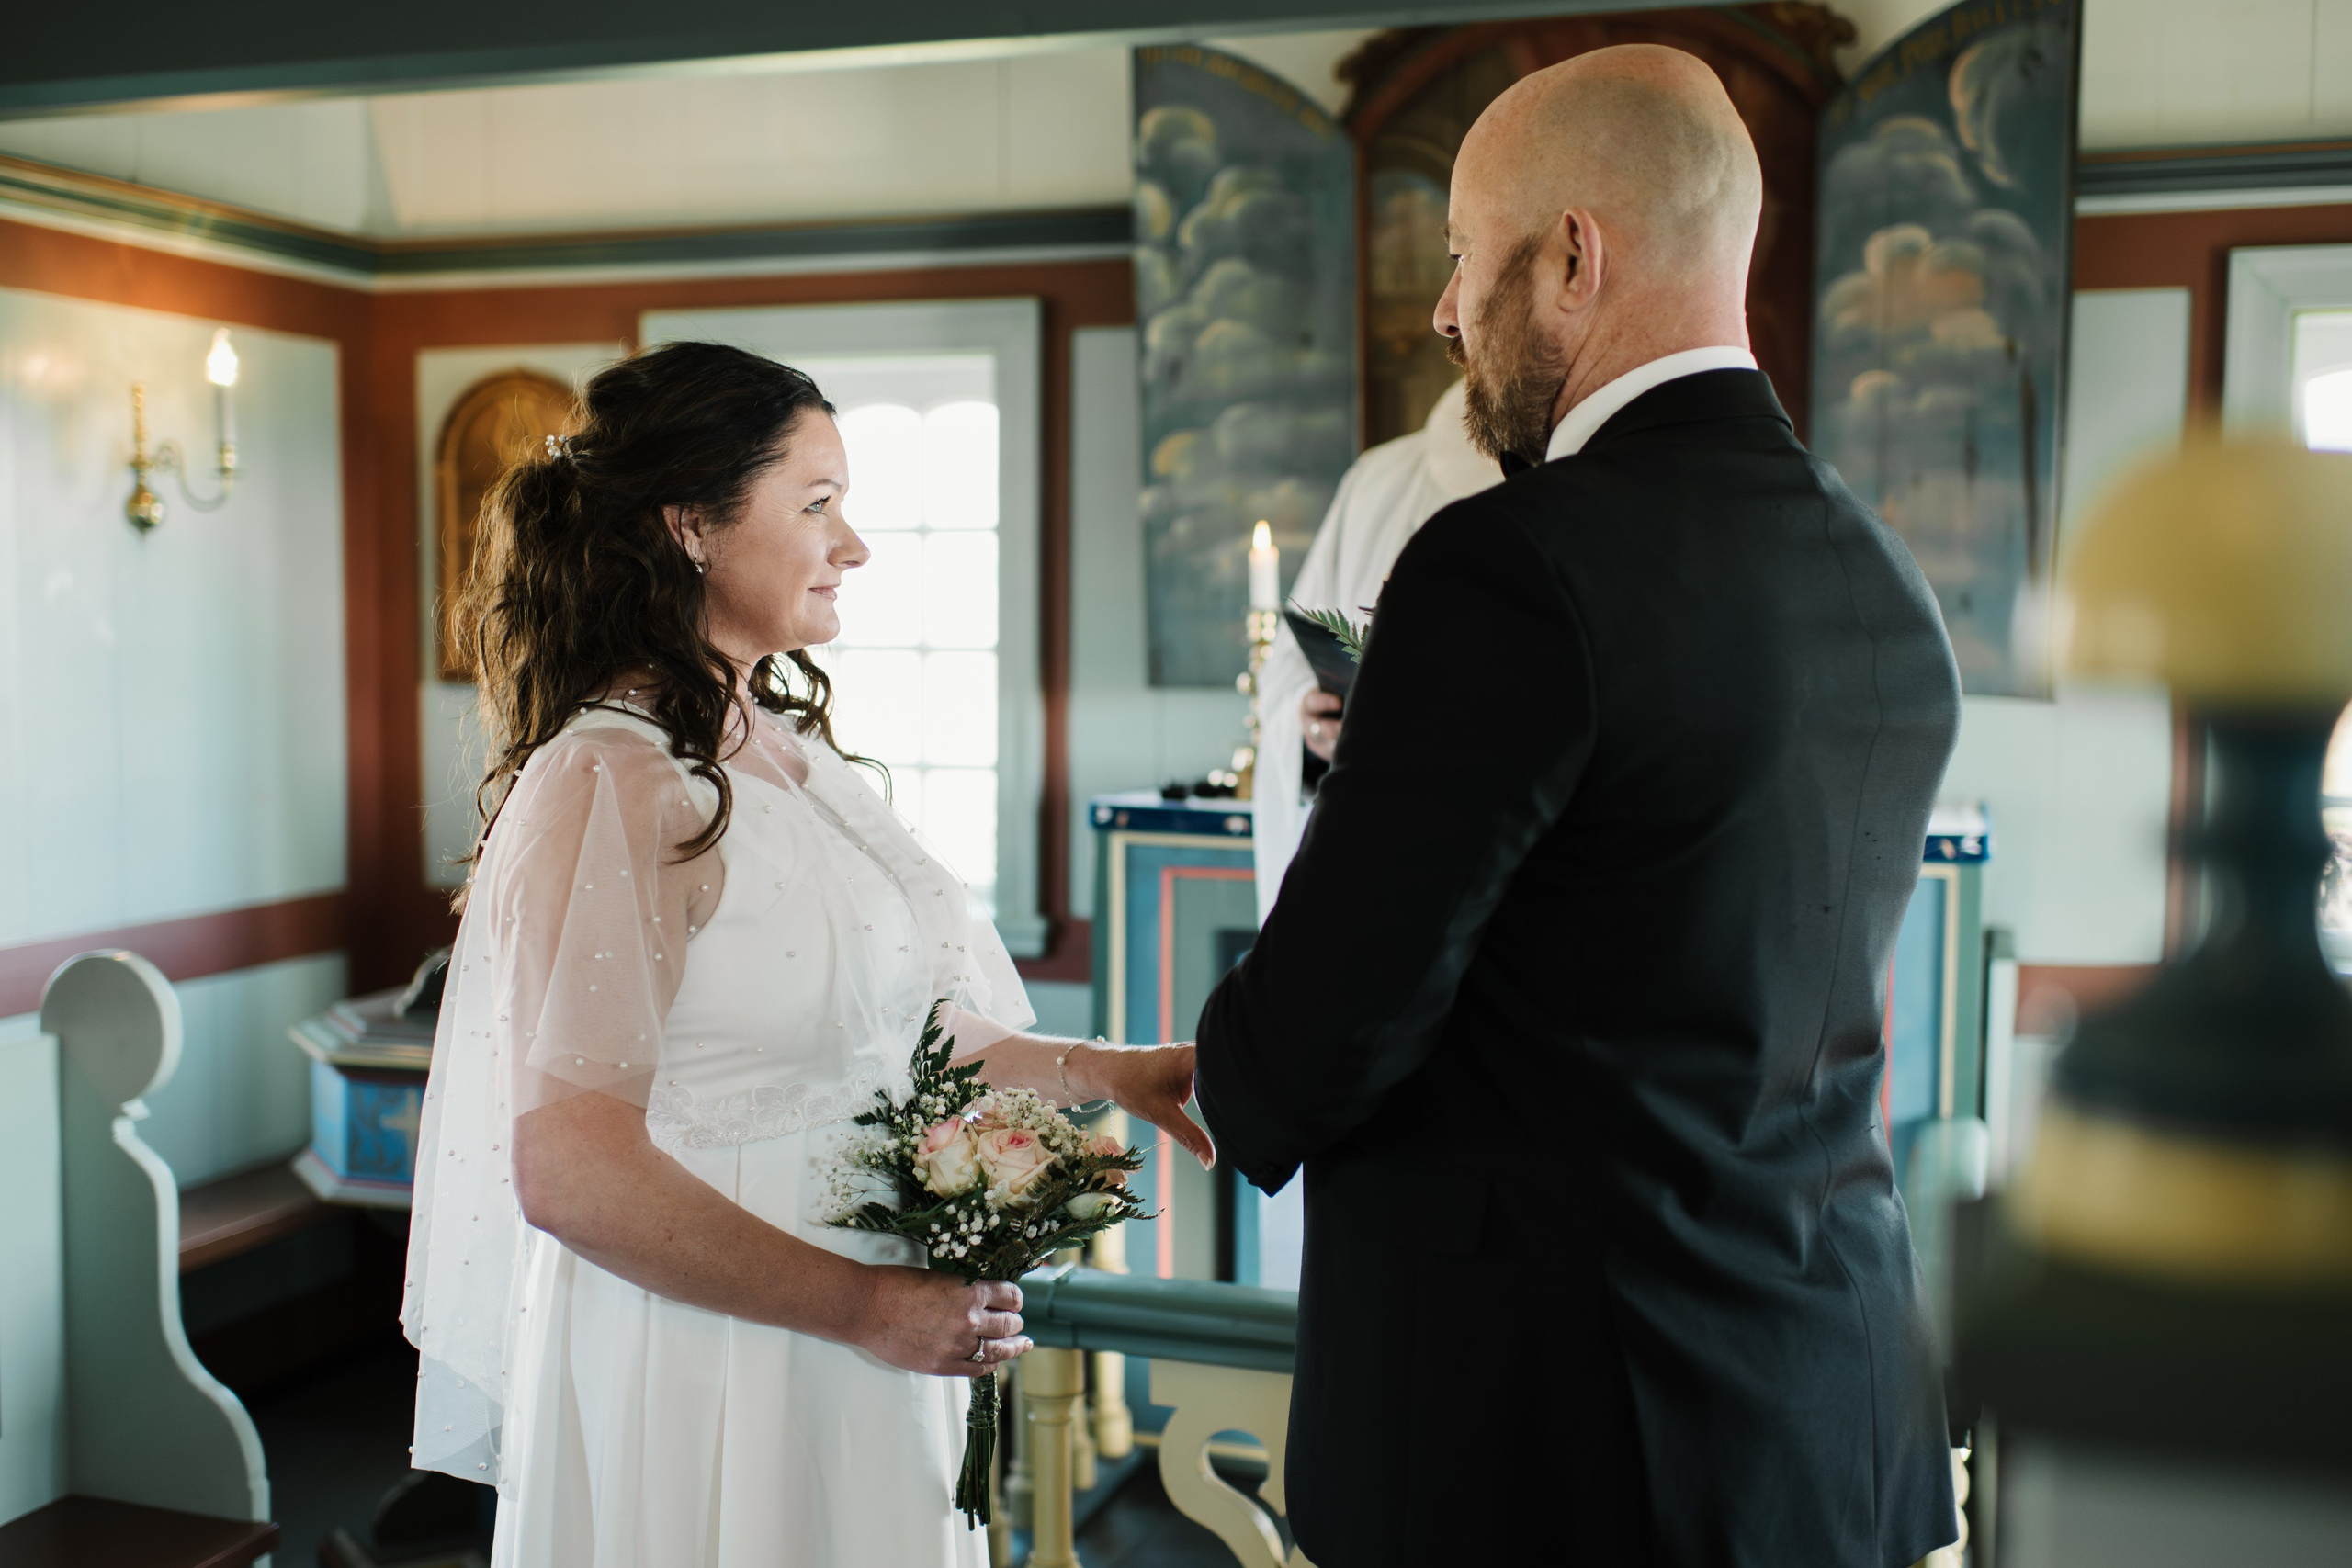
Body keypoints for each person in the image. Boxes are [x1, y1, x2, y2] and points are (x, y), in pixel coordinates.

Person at [1194, 43, 1962, 1567]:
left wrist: (1222, 1064)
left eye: (1463, 258)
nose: (1440, 308)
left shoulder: (1512, 570)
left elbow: (1306, 1047)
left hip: (1562, 1449)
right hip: (1827, 1419)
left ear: (1570, 257)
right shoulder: (1881, 579)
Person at [400, 342, 1211, 1568]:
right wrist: (869, 1306)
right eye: (817, 503)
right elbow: (572, 1170)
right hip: (722, 1353)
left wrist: (1114, 1071)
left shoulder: (779, 749)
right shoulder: (612, 781)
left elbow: (900, 1035)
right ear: (691, 526)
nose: (855, 544)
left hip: (862, 1343)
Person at [1252, 378, 1498, 924]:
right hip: (1367, 851)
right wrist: (1312, 724)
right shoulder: (1377, 483)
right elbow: (1290, 663)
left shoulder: (1585, 480)